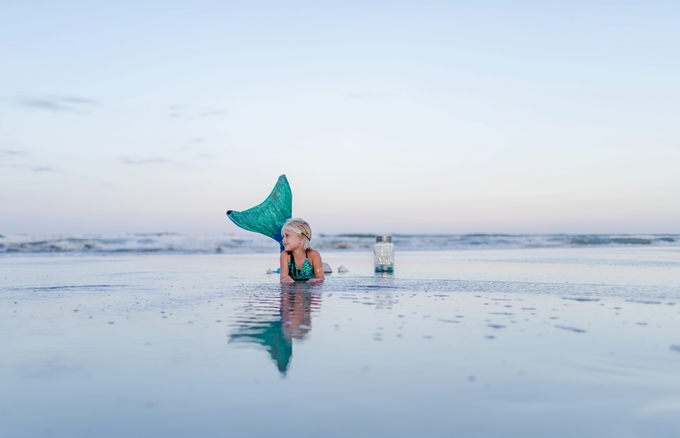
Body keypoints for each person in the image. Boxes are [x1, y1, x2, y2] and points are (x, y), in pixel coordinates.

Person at [279, 218, 324, 284]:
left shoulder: (313, 255)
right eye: (283, 236)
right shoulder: (285, 255)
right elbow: (283, 278)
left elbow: (320, 277)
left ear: (301, 238)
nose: (283, 240)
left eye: (287, 236)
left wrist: (315, 281)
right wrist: (286, 279)